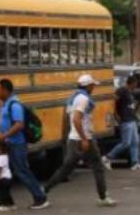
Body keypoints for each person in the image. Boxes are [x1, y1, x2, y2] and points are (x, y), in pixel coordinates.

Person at [44, 74, 116, 207]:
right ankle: (103, 197)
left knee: (66, 169)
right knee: (98, 167)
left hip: (73, 138)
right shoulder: (83, 99)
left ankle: (44, 191)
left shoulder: (74, 97)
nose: (93, 87)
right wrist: (84, 139)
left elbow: (70, 119)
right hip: (84, 138)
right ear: (87, 86)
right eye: (92, 85)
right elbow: (77, 119)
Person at [0, 79, 51, 210]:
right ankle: (6, 201)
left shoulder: (15, 105)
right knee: (5, 171)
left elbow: (19, 125)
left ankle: (40, 198)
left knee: (22, 171)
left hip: (17, 144)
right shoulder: (6, 104)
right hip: (9, 144)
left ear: (5, 90)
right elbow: (1, 116)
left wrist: (4, 136)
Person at [104, 74, 140, 171]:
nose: (136, 86)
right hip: (125, 119)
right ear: (132, 83)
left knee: (135, 142)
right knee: (126, 143)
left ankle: (135, 163)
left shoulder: (130, 92)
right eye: (136, 84)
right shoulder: (122, 90)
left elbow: (131, 104)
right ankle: (107, 157)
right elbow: (113, 101)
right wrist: (115, 114)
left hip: (132, 119)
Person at [0, 138, 15, 212]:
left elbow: (0, 169)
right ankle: (11, 204)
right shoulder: (6, 156)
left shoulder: (0, 158)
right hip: (8, 178)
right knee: (6, 192)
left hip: (3, 179)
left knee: (2, 193)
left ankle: (4, 205)